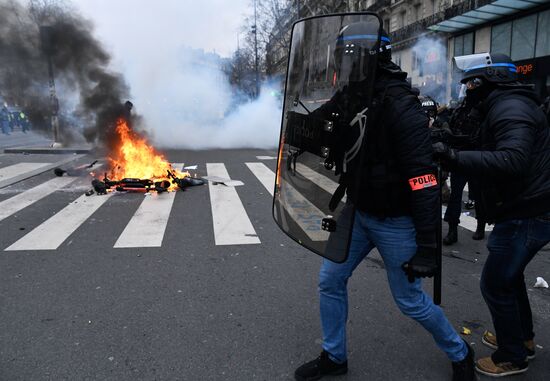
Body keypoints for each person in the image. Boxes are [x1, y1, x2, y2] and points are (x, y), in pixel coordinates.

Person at [294, 21, 475, 381]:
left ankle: (460, 352)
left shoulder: (400, 105)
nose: (342, 68)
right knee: (330, 280)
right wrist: (299, 130)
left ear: (364, 57)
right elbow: (322, 128)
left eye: (347, 59)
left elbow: (423, 182)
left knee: (410, 301)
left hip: (395, 220)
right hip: (359, 210)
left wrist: (427, 245)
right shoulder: (352, 96)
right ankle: (334, 356)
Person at [434, 52, 550, 377]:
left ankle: (511, 355)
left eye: (471, 83)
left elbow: (512, 159)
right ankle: (521, 339)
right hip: (526, 207)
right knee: (510, 280)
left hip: (527, 212)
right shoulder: (507, 104)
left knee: (496, 284)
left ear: (488, 81)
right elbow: (491, 143)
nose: (468, 90)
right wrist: (453, 141)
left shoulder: (510, 107)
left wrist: (455, 157)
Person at [441, 96, 486, 244]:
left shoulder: (484, 111)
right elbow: (451, 129)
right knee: (456, 196)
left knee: (479, 194)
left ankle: (480, 225)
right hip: (459, 157)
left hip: (477, 158)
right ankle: (452, 230)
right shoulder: (460, 110)